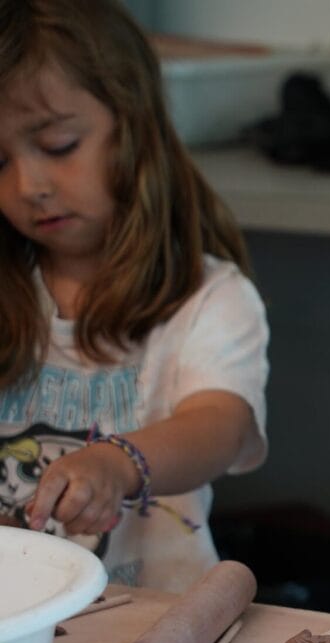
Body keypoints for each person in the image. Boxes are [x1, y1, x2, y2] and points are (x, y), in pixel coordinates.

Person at [0, 0, 269, 592]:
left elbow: (218, 427)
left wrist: (118, 463)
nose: (30, 186)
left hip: (156, 623)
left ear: (135, 127)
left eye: (60, 144)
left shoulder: (210, 299)